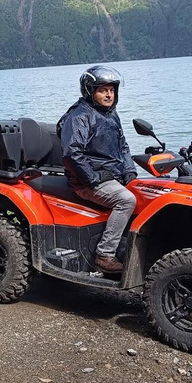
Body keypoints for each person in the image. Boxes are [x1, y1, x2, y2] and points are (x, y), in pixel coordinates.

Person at [57, 65, 138, 273]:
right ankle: (105, 255)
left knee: (144, 192)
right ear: (90, 91)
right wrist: (92, 178)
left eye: (111, 90)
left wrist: (131, 173)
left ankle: (130, 248)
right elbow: (72, 152)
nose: (109, 94)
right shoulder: (80, 115)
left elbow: (123, 147)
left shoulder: (111, 114)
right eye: (103, 90)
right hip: (87, 181)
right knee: (126, 200)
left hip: (110, 176)